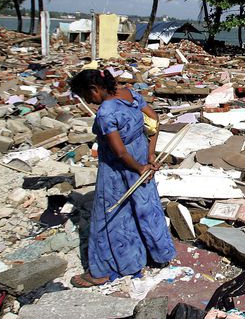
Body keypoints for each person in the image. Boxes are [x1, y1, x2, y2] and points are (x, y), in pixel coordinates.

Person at [68, 69, 176, 287]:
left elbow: (119, 152)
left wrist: (138, 168)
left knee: (111, 215)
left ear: (94, 89)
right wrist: (149, 154)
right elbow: (154, 120)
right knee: (146, 208)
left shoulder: (106, 112)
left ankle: (102, 271)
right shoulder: (129, 93)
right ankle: (159, 254)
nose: (89, 101)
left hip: (119, 168)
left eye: (87, 96)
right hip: (141, 157)